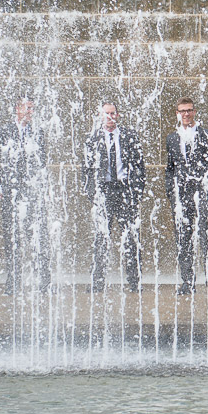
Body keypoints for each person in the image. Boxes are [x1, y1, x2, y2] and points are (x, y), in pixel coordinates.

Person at [0, 98, 51, 294]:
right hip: (10, 192)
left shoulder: (38, 132)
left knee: (38, 236)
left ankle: (43, 282)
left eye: (33, 108)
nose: (30, 112)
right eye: (27, 108)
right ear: (17, 109)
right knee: (12, 239)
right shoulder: (2, 131)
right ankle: (13, 282)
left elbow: (42, 164)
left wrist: (42, 188)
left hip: (32, 192)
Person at [165, 98, 208, 296]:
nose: (186, 114)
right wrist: (171, 193)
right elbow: (170, 168)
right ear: (177, 113)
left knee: (207, 238)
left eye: (189, 110)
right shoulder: (172, 138)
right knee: (183, 240)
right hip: (181, 197)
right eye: (182, 111)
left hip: (203, 195)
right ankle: (187, 282)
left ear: (195, 112)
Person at [82, 102, 145, 293]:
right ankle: (98, 281)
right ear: (100, 116)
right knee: (101, 237)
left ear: (117, 115)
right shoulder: (92, 140)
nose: (109, 117)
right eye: (106, 114)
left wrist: (137, 192)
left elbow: (140, 166)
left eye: (112, 113)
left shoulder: (130, 136)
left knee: (131, 237)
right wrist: (92, 194)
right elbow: (85, 170)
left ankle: (135, 281)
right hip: (104, 192)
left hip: (125, 190)